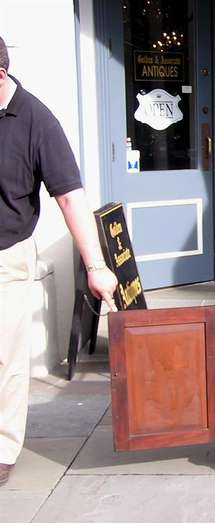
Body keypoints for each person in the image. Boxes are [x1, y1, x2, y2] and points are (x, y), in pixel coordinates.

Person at [0, 35, 118, 486]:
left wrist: (96, 267)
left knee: (6, 360)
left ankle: (3, 448)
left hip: (6, 257)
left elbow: (70, 197)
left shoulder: (35, 120)